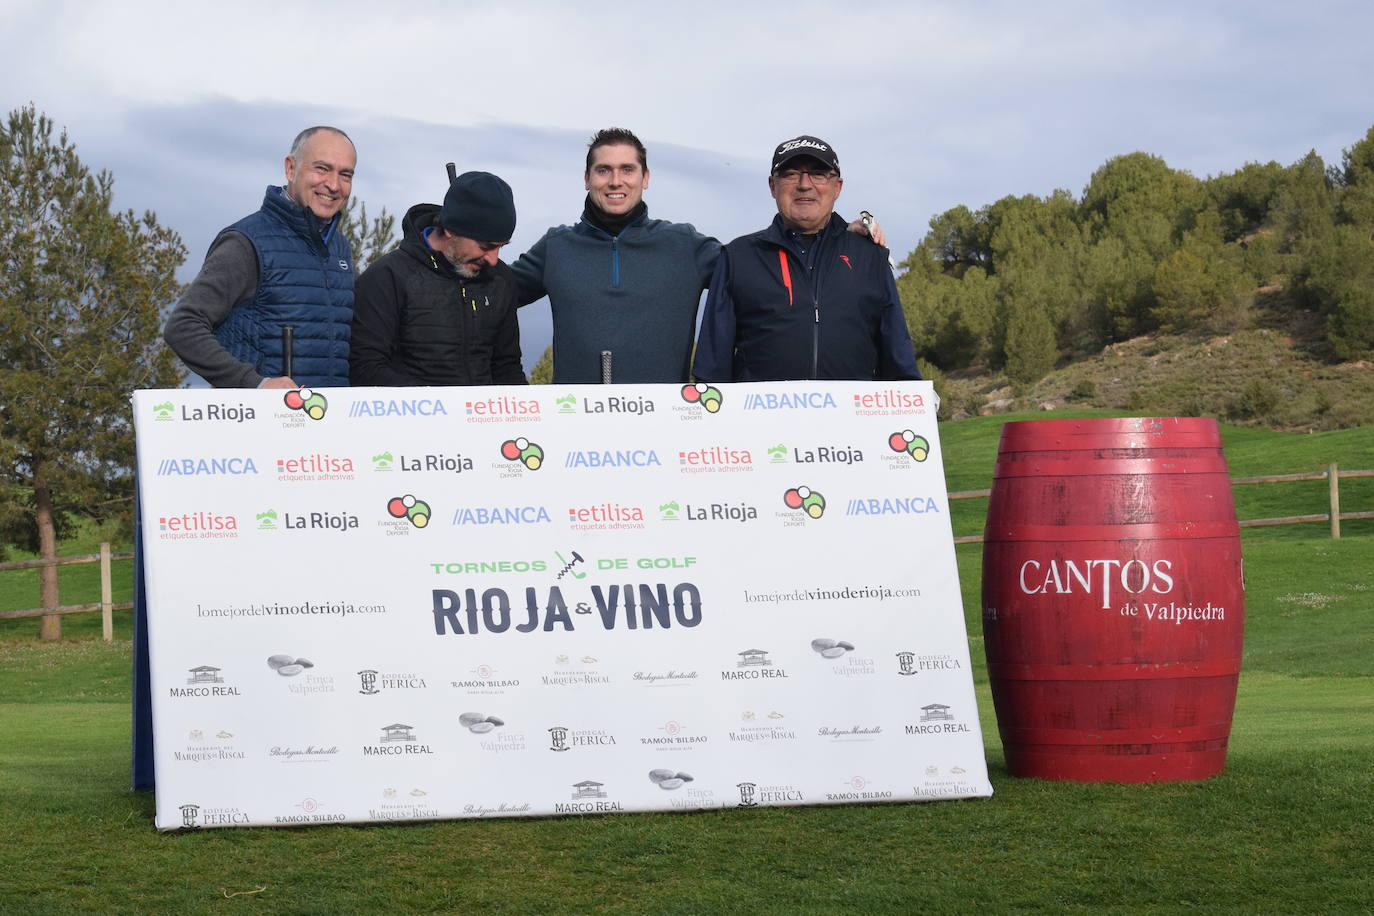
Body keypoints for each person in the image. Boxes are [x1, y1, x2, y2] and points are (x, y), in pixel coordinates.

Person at [511, 127, 890, 384]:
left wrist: (835, 237)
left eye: (627, 169)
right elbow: (494, 289)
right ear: (587, 178)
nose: (615, 180)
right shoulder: (556, 247)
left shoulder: (684, 245)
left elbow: (762, 267)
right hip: (577, 429)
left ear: (645, 178)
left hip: (667, 430)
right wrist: (456, 242)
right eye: (603, 170)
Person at [692, 135, 921, 383]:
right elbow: (713, 368)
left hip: (853, 419)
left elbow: (898, 357)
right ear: (772, 186)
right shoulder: (737, 256)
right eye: (790, 174)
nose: (804, 184)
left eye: (818, 174)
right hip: (762, 420)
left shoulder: (870, 256)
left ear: (838, 187)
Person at [164, 126, 357, 389]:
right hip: (262, 424)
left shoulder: (340, 248)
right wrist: (256, 385)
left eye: (345, 174)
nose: (334, 185)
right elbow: (183, 327)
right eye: (322, 169)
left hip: (326, 421)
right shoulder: (246, 242)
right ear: (291, 168)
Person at [349, 171, 525, 386]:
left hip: (483, 418)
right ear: (451, 229)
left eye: (500, 246)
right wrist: (438, 408)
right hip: (410, 417)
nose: (493, 259)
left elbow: (507, 367)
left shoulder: (501, 280)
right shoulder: (386, 277)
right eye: (486, 246)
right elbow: (365, 368)